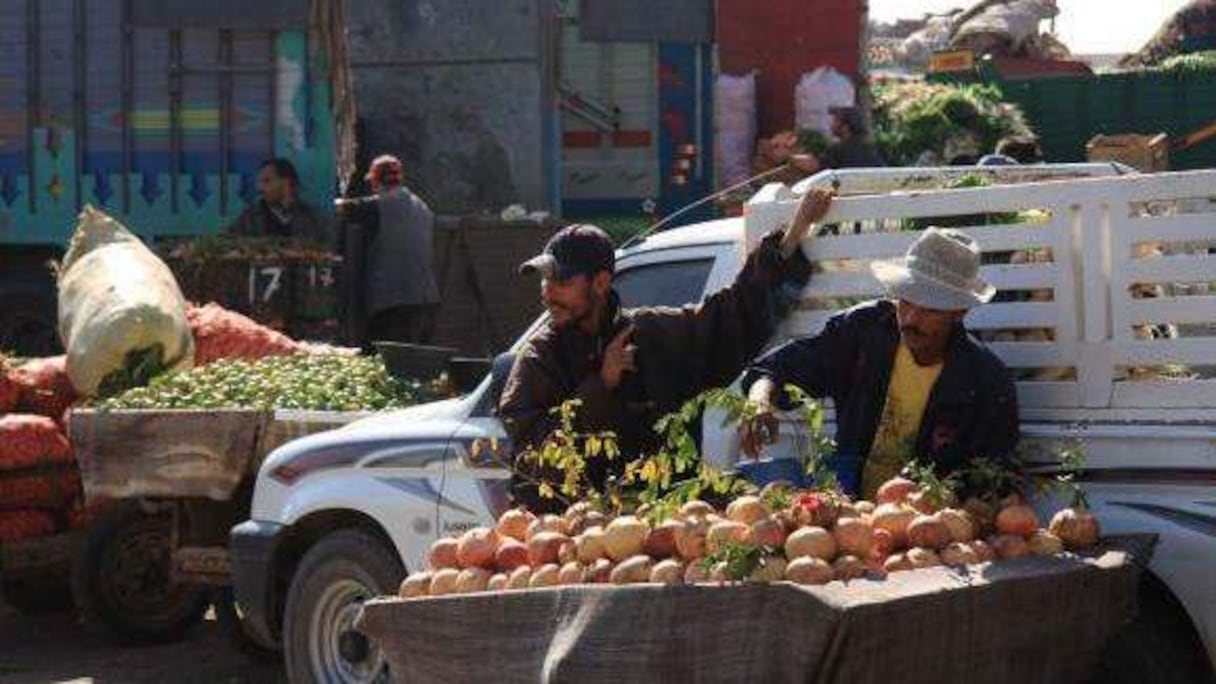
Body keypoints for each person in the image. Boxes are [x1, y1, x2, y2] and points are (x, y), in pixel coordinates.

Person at [499, 189, 837, 512]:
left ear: (600, 283)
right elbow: (532, 455)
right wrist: (602, 385)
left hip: (663, 527)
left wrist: (796, 229)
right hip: (571, 535)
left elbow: (729, 318)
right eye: (544, 281)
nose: (548, 293)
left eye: (561, 281)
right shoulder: (539, 357)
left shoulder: (651, 334)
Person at [739, 227, 1019, 500]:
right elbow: (777, 368)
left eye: (930, 310)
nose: (910, 320)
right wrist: (760, 402)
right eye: (906, 302)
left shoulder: (986, 382)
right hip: (847, 512)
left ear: (959, 311)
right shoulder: (861, 333)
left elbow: (993, 483)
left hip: (926, 533)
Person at [336, 155, 441, 346]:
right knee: (416, 365)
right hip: (426, 301)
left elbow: (343, 209)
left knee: (389, 364)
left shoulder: (382, 205)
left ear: (376, 181)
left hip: (393, 304)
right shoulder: (422, 207)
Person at [226, 158, 334, 246]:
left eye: (266, 181)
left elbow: (327, 248)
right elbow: (225, 241)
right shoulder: (251, 217)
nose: (259, 188)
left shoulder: (312, 218)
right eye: (260, 182)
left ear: (286, 183)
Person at [797, 106, 885, 174]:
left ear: (845, 127)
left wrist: (789, 158)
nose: (832, 124)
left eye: (836, 121)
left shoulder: (839, 150)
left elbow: (815, 166)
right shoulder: (869, 148)